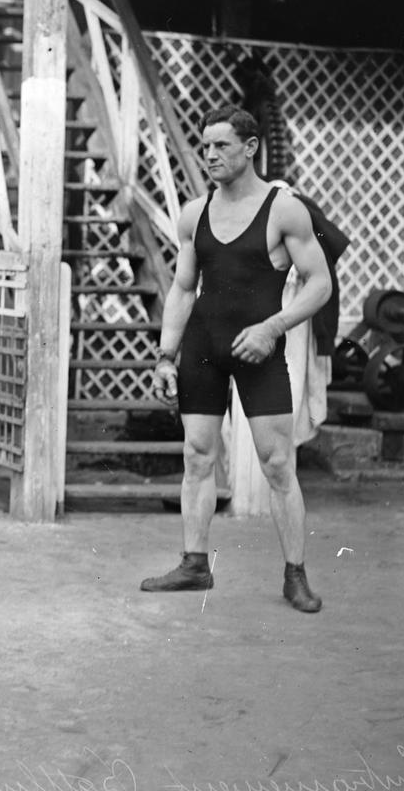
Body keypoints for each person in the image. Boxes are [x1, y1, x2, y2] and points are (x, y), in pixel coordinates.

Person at [143, 104, 331, 613]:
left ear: (250, 148)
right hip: (203, 348)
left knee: (278, 463)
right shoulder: (193, 213)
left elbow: (320, 284)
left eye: (221, 146)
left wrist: (273, 328)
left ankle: (295, 575)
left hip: (259, 349)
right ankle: (194, 564)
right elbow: (183, 289)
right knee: (197, 455)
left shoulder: (284, 210)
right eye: (205, 146)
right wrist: (165, 356)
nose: (210, 155)